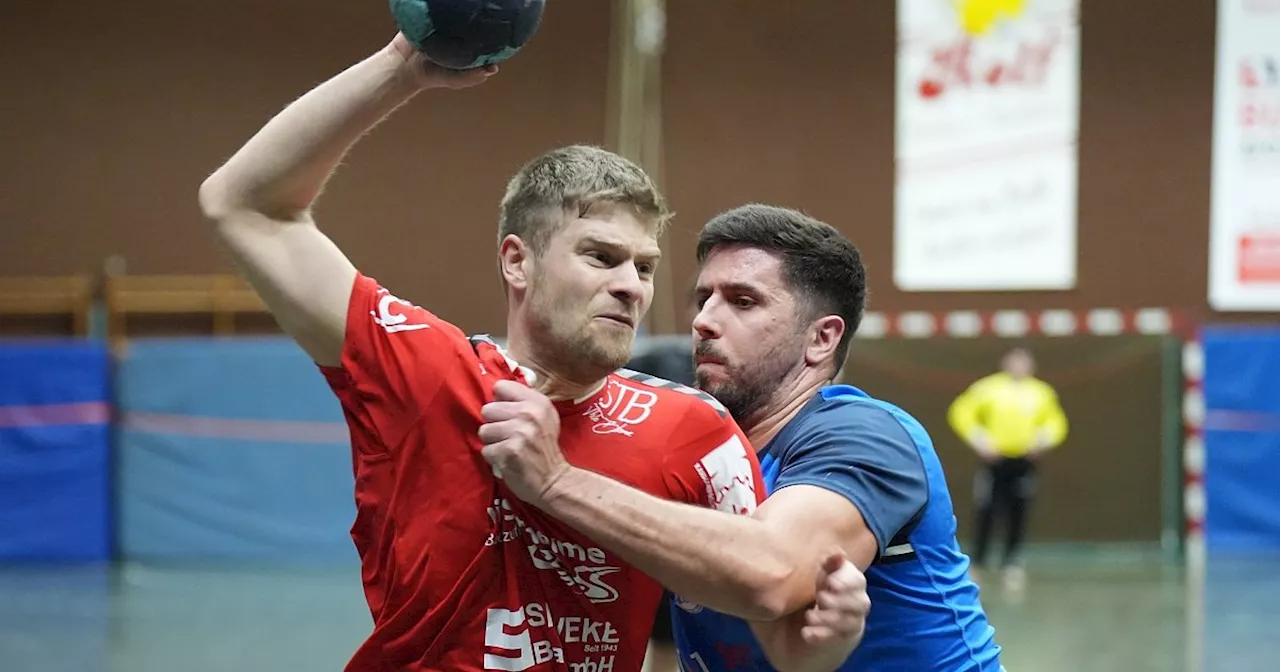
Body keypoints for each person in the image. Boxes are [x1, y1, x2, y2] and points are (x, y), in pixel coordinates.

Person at [197, 32, 865, 672]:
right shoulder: (427, 371)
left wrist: (825, 643)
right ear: (518, 263)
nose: (630, 286)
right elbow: (244, 204)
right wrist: (402, 67)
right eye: (602, 257)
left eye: (644, 265)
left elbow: (774, 631)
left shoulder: (694, 431)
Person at [483, 204, 1002, 671]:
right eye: (703, 298)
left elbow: (772, 571)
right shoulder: (691, 443)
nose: (704, 321)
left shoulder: (864, 436)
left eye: (743, 301)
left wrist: (555, 482)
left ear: (821, 338)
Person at [948, 347, 1069, 589]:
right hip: (994, 461)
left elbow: (1057, 422)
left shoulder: (1041, 393)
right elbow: (961, 412)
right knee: (986, 510)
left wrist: (1042, 441)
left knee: (1019, 511)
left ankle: (1011, 563)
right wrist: (979, 439)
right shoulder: (988, 388)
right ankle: (978, 563)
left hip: (1024, 462)